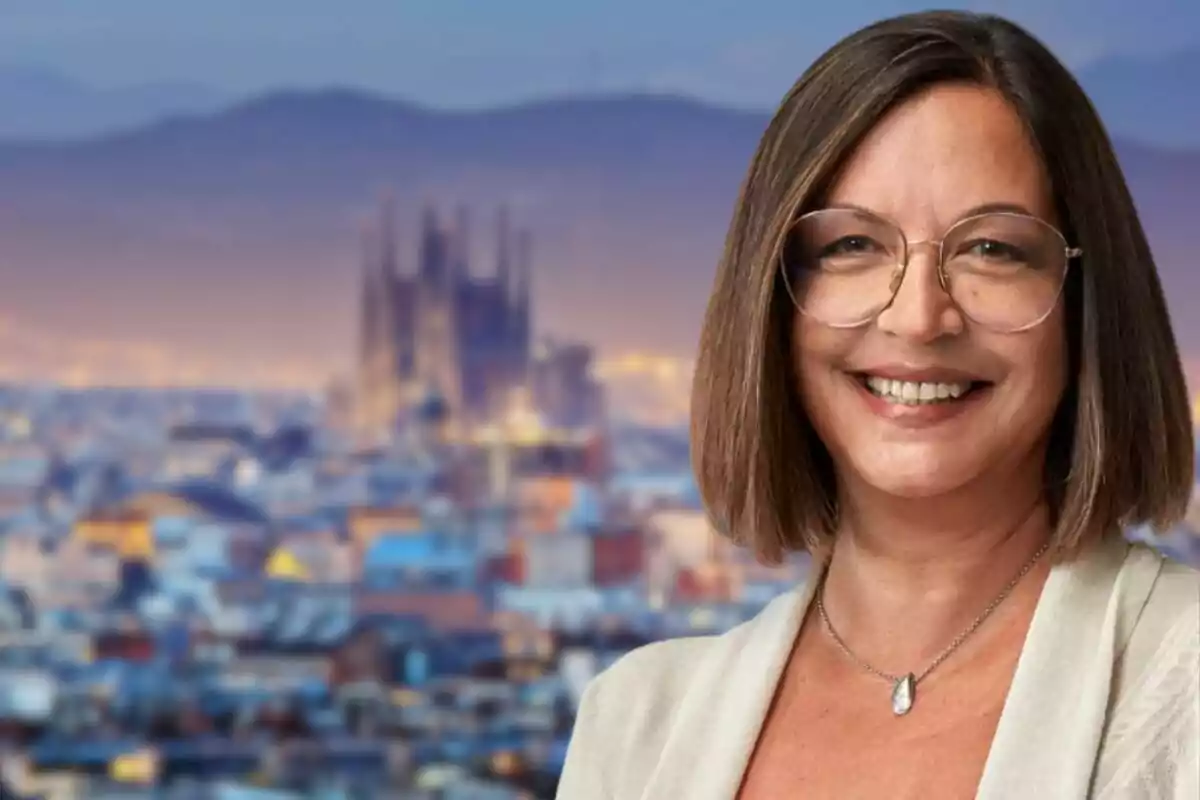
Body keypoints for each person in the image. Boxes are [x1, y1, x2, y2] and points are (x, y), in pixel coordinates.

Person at [557, 10, 1199, 800]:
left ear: (1085, 302)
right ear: (775, 302)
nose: (918, 316)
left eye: (991, 248)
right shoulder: (637, 723)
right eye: (851, 246)